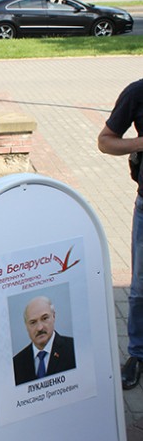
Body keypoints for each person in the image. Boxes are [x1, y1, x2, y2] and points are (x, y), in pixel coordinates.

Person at [98, 77, 143, 390]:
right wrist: (140, 143)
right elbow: (106, 141)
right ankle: (137, 354)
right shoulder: (138, 93)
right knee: (140, 288)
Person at [12, 296, 76, 386]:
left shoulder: (74, 349)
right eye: (33, 322)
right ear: (26, 326)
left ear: (54, 316)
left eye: (45, 318)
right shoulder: (16, 364)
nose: (40, 328)